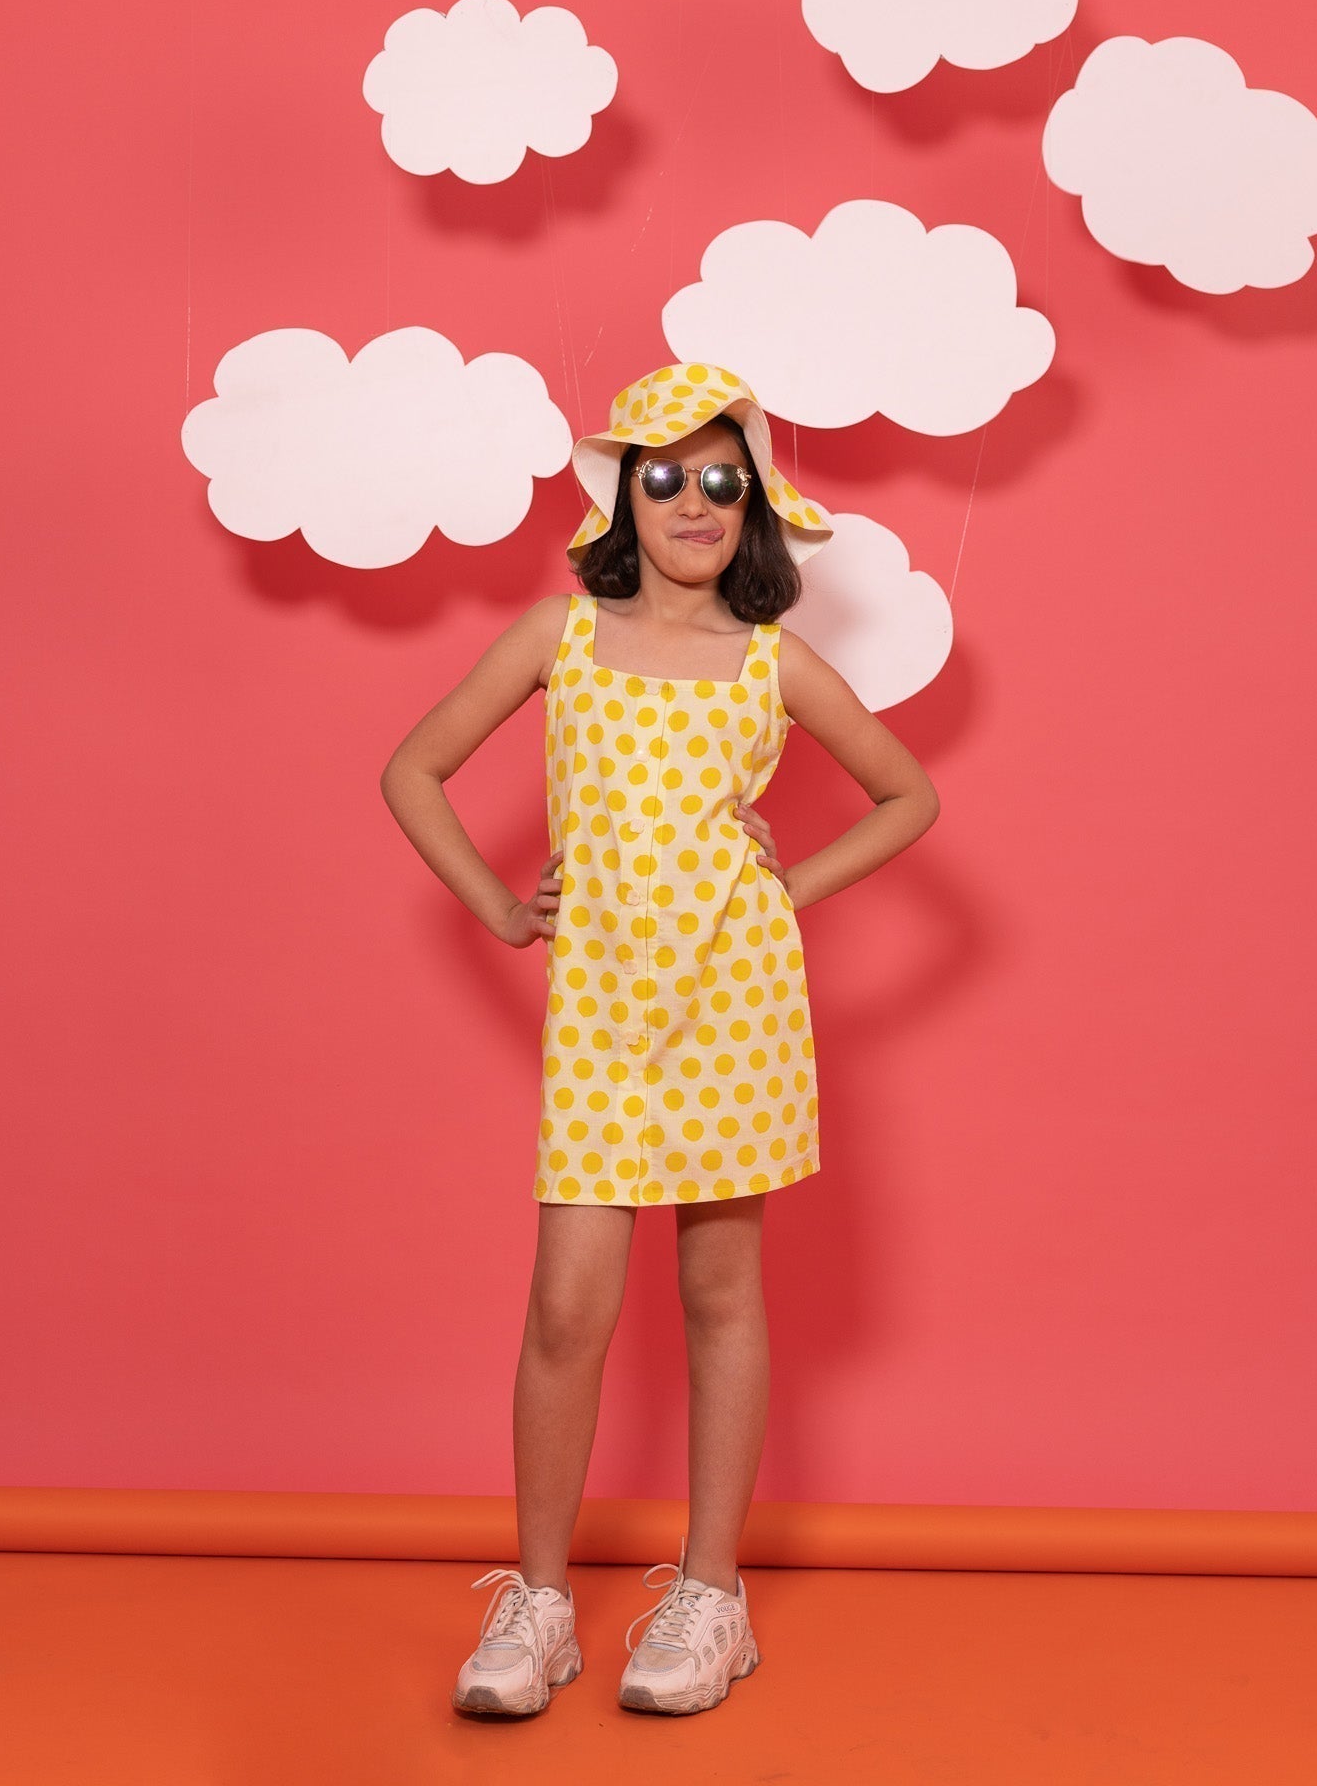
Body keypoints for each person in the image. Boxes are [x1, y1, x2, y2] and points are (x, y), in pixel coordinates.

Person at [380, 361, 940, 1719]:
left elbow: (907, 796)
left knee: (719, 1295)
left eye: (722, 480)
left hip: (736, 1010)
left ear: (752, 507)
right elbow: (413, 768)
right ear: (624, 495)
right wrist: (503, 909)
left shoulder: (770, 661)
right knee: (566, 1308)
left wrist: (791, 888)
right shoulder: (557, 637)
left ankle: (711, 1596)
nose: (695, 500)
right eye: (667, 475)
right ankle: (540, 1606)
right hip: (601, 1018)